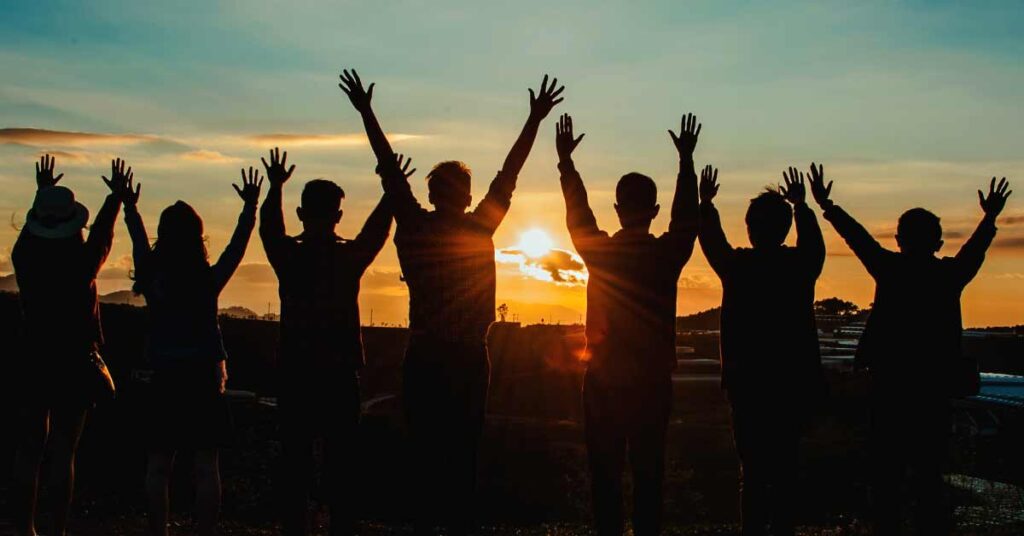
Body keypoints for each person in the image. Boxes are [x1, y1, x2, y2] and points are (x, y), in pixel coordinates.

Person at [338, 69, 564, 535]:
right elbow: (509, 173)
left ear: (431, 193)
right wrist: (534, 120)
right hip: (465, 354)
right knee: (464, 453)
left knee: (423, 451)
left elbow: (388, 170)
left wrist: (367, 112)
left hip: (425, 353)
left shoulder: (417, 226)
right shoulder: (479, 226)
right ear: (464, 196)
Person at [809, 165, 1012, 535]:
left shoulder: (890, 268)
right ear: (937, 242)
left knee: (886, 481)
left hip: (890, 389)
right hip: (933, 393)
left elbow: (858, 238)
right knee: (928, 482)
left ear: (899, 239)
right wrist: (990, 218)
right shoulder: (948, 276)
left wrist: (828, 206)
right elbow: (974, 250)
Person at [554, 112, 700, 536]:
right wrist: (686, 163)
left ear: (617, 210)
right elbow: (687, 222)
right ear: (654, 210)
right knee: (649, 475)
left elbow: (577, 215)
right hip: (653, 380)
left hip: (602, 378)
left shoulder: (599, 252)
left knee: (605, 476)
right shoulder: (667, 255)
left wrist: (567, 164)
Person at [258, 145, 393, 536]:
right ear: (338, 216)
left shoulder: (288, 255)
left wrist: (274, 188)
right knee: (342, 465)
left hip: (296, 373)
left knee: (295, 462)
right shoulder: (348, 259)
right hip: (339, 375)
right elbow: (376, 232)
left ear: (301, 213)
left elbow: (269, 228)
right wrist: (389, 192)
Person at [121, 167, 262, 536]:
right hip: (203, 378)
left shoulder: (153, 276)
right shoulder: (207, 279)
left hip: (164, 376)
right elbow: (236, 248)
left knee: (157, 467)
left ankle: (158, 531)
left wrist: (130, 207)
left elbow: (138, 241)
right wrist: (250, 208)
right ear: (198, 237)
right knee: (206, 466)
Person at [697, 166, 827, 536]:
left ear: (751, 228)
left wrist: (706, 204)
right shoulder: (800, 267)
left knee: (752, 474)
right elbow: (814, 246)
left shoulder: (739, 266)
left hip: (747, 385)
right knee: (786, 471)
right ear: (784, 229)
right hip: (792, 384)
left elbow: (711, 240)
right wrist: (802, 206)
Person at [11, 155, 129, 536]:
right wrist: (116, 198)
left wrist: (43, 192)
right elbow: (104, 237)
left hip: (33, 355)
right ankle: (57, 530)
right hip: (75, 360)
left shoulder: (24, 257)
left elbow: (34, 234)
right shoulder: (82, 262)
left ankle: (24, 526)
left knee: (29, 449)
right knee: (65, 451)